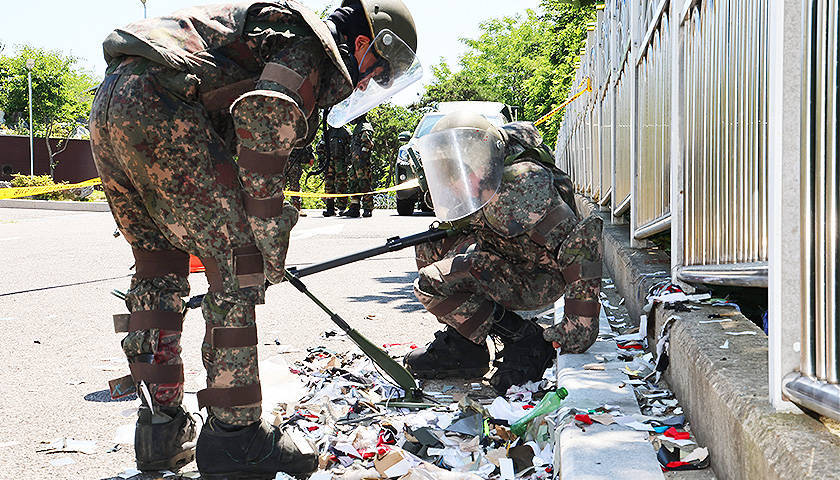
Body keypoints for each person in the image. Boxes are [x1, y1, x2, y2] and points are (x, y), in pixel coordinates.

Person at [89, 0, 419, 477]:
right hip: (162, 104)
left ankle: (160, 431)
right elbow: (265, 125)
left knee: (157, 266)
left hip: (113, 104)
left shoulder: (277, 33)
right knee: (238, 267)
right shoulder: (308, 45)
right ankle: (236, 438)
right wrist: (265, 245)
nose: (371, 84)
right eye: (379, 72)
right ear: (363, 44)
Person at [404, 111, 603, 394]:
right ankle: (466, 347)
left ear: (480, 165)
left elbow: (580, 244)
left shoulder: (519, 189)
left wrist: (578, 327)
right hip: (510, 254)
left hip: (539, 275)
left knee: (435, 281)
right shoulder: (483, 185)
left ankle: (525, 340)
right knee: (430, 247)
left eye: (456, 175)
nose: (451, 186)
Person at [316, 125, 352, 216]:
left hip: (341, 162)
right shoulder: (327, 133)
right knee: (329, 184)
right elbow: (320, 147)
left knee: (342, 184)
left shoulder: (345, 132)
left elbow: (351, 147)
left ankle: (342, 207)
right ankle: (330, 208)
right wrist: (321, 160)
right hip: (329, 162)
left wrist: (348, 160)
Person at [346, 114, 375, 217]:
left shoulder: (364, 127)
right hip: (355, 162)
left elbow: (367, 144)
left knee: (364, 183)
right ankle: (354, 208)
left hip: (362, 163)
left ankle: (368, 208)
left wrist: (362, 159)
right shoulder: (358, 127)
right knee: (353, 184)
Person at [285, 145, 315, 216]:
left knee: (294, 186)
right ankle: (279, 207)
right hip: (284, 161)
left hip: (292, 162)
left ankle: (296, 208)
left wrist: (310, 156)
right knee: (281, 185)